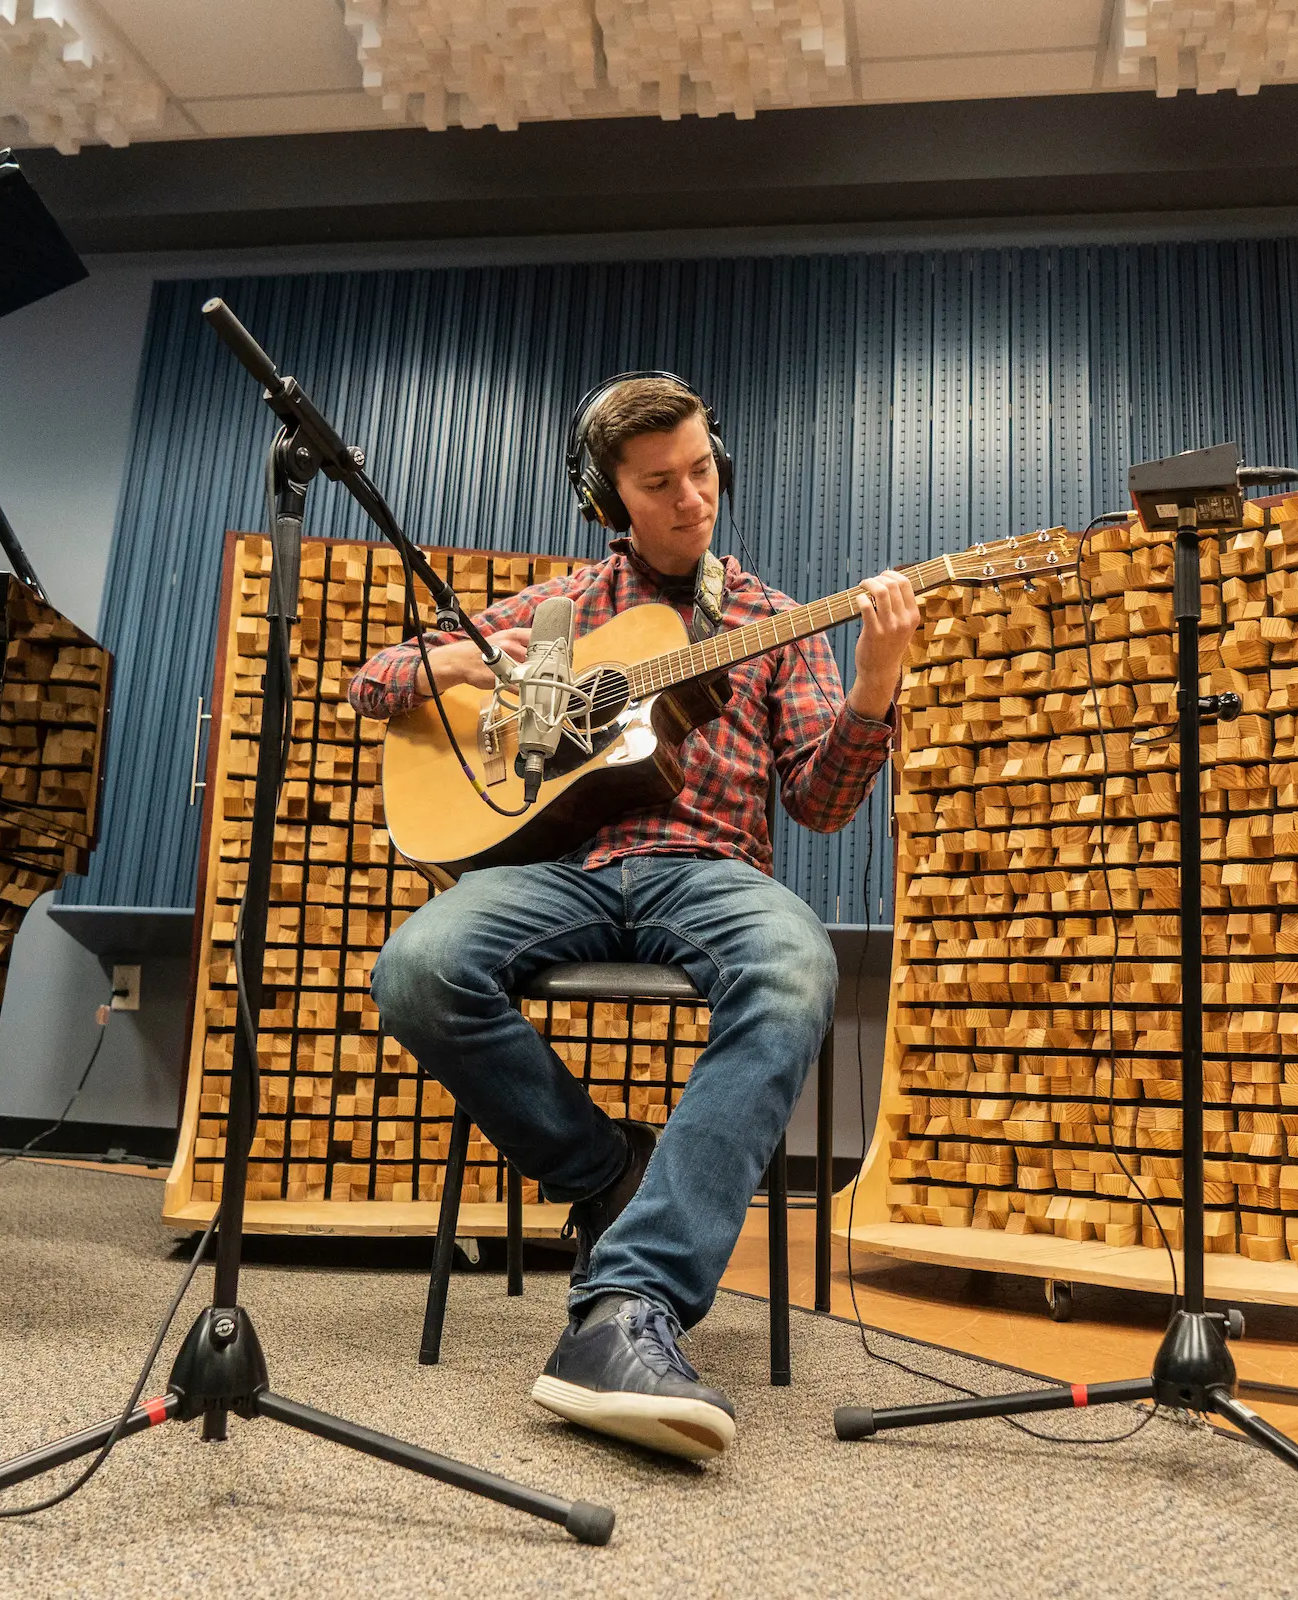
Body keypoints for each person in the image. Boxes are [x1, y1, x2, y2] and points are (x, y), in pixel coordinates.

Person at [353, 374, 917, 1462]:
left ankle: (632, 1297)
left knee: (797, 969)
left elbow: (820, 799)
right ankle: (607, 1169)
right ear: (610, 500)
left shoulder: (770, 621)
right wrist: (473, 657)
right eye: (659, 484)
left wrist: (873, 689)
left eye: (702, 471)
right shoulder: (559, 611)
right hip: (564, 872)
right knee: (417, 966)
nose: (692, 499)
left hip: (708, 873)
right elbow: (371, 684)